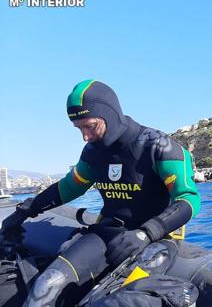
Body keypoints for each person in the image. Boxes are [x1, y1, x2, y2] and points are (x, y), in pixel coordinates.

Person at [0, 80, 201, 307]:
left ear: (110, 115)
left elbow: (188, 198)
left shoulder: (159, 147)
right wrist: (26, 209)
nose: (85, 136)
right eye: (79, 129)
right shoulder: (92, 153)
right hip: (108, 232)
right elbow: (70, 187)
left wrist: (146, 232)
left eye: (90, 126)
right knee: (46, 284)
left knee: (110, 300)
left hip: (156, 239)